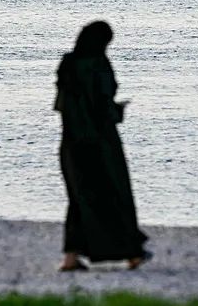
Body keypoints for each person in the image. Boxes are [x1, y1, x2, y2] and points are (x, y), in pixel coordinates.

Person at [54, 21, 150, 271]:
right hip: (101, 142)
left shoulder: (68, 65)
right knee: (114, 195)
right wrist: (119, 110)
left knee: (79, 199)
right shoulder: (99, 64)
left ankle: (71, 257)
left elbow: (63, 104)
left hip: (72, 142)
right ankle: (132, 253)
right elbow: (103, 105)